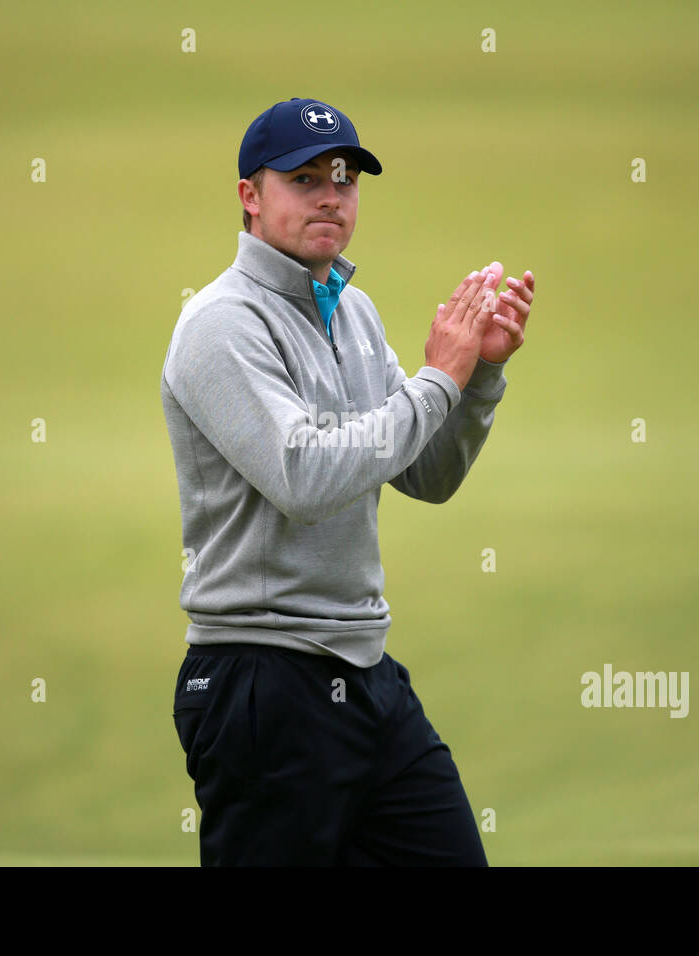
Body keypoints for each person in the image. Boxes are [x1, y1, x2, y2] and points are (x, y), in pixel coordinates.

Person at [160, 97, 534, 866]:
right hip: (261, 681)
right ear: (250, 196)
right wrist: (437, 379)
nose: (331, 195)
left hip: (363, 672)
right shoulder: (220, 323)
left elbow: (426, 472)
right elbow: (304, 476)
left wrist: (480, 373)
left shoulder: (353, 313)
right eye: (304, 178)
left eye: (345, 177)